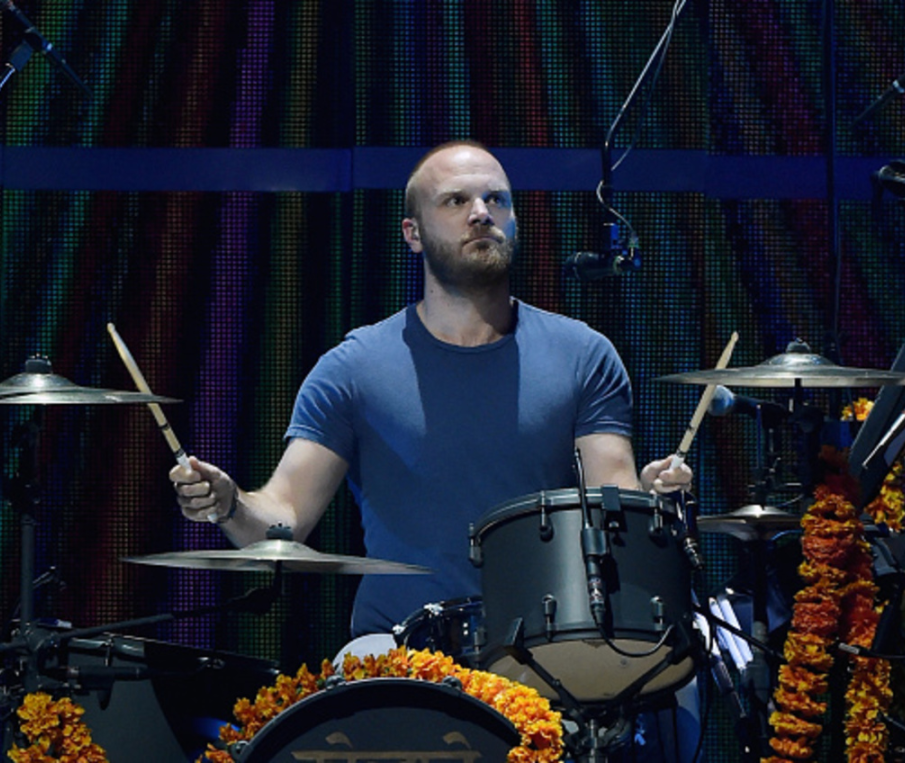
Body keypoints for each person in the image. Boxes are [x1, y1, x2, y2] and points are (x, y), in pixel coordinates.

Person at [170, 141, 696, 755]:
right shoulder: (352, 368)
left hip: (546, 653)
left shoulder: (584, 354)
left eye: (496, 199)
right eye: (456, 201)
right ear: (412, 233)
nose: (481, 212)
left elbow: (614, 492)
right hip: (396, 653)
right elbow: (284, 516)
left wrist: (651, 498)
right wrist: (230, 503)